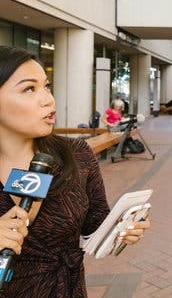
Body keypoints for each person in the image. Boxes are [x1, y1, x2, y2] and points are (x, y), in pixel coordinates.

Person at [0, 46, 150, 297]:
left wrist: (123, 231)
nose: (48, 99)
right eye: (29, 89)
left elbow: (96, 224)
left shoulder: (77, 155)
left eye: (46, 86)